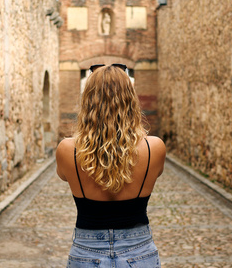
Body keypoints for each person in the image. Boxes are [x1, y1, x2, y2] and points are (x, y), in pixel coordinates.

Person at [56, 63, 166, 268]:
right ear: (131, 100)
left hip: (86, 252)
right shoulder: (155, 148)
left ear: (87, 101)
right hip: (139, 251)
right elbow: (156, 172)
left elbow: (63, 175)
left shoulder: (66, 150)